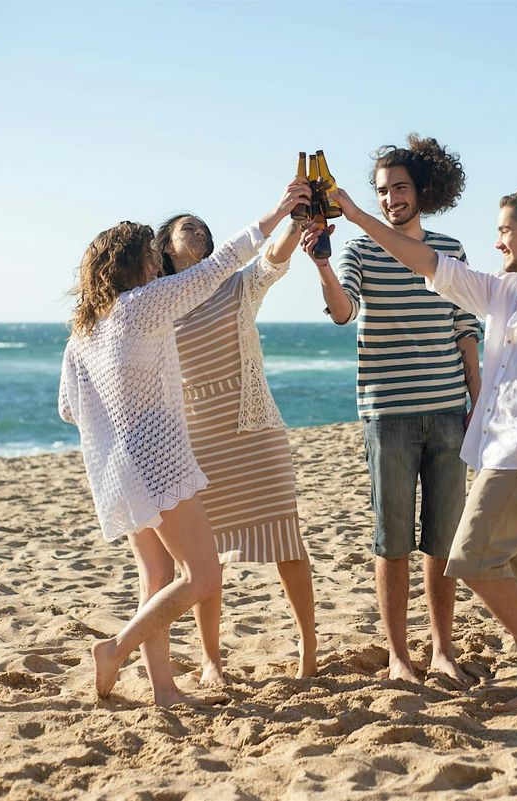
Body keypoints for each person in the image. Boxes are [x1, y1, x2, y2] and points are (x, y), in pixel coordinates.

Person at [311, 185, 517, 722]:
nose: (497, 242)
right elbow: (425, 260)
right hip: (493, 450)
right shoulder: (503, 292)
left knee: (467, 558)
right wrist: (354, 214)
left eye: (504, 231)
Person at [58, 179, 310, 706]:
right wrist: (278, 211)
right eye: (150, 258)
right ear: (131, 264)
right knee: (203, 574)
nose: (156, 266)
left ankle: (165, 691)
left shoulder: (84, 328)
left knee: (158, 576)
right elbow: (223, 265)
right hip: (159, 458)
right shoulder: (140, 306)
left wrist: (116, 411)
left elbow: (68, 408)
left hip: (114, 471)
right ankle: (116, 649)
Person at [305, 135, 481, 684]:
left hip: (451, 411)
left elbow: (465, 330)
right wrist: (323, 265)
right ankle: (399, 657)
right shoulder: (358, 251)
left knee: (443, 541)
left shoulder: (450, 248)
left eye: (399, 188)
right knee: (393, 540)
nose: (390, 199)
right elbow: (342, 311)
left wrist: (478, 402)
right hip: (389, 414)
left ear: (420, 190)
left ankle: (443, 651)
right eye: (381, 191)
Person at [149, 211, 317, 682]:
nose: (199, 233)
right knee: (205, 553)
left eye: (204, 228)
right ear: (165, 245)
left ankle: (308, 648)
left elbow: (271, 260)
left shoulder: (234, 286)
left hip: (254, 430)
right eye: (188, 228)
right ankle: (211, 660)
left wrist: (298, 224)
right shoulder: (159, 301)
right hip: (197, 438)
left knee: (287, 538)